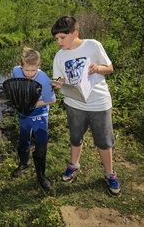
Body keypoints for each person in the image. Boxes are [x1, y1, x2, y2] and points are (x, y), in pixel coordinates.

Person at [51, 15, 121, 197]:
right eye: (56, 38)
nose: (59, 42)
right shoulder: (59, 56)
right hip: (74, 103)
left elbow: (110, 68)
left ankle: (110, 174)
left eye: (62, 37)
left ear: (75, 33)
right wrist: (58, 83)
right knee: (76, 137)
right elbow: (60, 77)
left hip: (99, 103)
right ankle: (74, 166)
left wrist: (98, 68)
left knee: (104, 141)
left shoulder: (93, 45)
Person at [11, 47, 56, 190]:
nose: (30, 74)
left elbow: (51, 100)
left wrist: (32, 103)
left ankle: (41, 175)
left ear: (39, 66)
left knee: (41, 143)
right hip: (24, 114)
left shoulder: (43, 79)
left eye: (33, 70)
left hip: (40, 114)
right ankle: (24, 163)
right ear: (21, 65)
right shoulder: (16, 71)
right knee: (23, 139)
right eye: (27, 70)